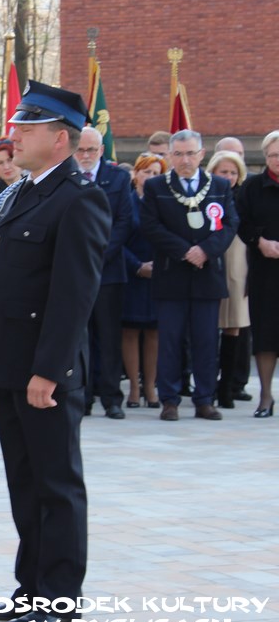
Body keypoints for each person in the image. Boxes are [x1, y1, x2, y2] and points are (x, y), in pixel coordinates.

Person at [0, 81, 111, 622]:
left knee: (56, 485)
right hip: (6, 363)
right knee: (24, 483)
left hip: (44, 371)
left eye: (27, 128)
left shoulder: (79, 198)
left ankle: (60, 599)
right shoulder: (21, 192)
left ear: (60, 139)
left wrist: (49, 370)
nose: (15, 137)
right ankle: (31, 589)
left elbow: (74, 296)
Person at [140, 129, 237, 421]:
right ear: (170, 155)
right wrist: (185, 251)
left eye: (191, 153)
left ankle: (205, 399)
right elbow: (151, 225)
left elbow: (230, 224)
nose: (185, 160)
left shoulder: (219, 185)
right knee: (170, 341)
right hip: (172, 275)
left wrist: (205, 250)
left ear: (201, 154)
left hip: (207, 276)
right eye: (179, 154)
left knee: (206, 341)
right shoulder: (157, 186)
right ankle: (169, 399)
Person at [75, 127, 133, 419]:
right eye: (81, 150)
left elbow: (124, 220)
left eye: (91, 150)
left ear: (101, 150)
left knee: (109, 337)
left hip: (108, 270)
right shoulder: (67, 177)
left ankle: (111, 398)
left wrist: (101, 255)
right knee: (79, 337)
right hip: (75, 270)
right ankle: (82, 397)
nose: (86, 156)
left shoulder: (118, 178)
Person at [236, 131, 279, 418]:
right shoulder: (252, 186)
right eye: (273, 155)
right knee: (265, 335)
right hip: (265, 272)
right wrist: (259, 241)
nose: (277, 160)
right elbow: (240, 222)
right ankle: (265, 396)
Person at [121, 154, 166, 408]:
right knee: (130, 331)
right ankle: (134, 388)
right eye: (146, 172)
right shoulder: (127, 202)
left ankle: (150, 386)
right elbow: (118, 239)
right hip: (132, 274)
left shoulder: (164, 203)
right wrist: (137, 266)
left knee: (154, 333)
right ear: (136, 174)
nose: (150, 177)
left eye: (156, 173)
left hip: (158, 274)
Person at [205, 150, 249, 408]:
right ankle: (207, 385)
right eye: (224, 172)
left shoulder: (244, 196)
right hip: (210, 259)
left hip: (237, 262)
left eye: (233, 172)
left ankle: (227, 388)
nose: (229, 177)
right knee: (208, 327)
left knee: (233, 325)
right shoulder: (205, 194)